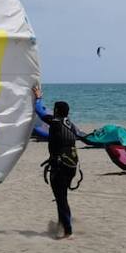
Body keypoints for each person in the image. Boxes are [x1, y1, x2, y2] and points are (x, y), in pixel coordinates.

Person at [35, 86, 79, 240]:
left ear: (57, 111)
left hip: (60, 166)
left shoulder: (55, 122)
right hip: (71, 166)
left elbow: (40, 111)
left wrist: (38, 97)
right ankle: (62, 225)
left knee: (61, 198)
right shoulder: (70, 124)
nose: (52, 111)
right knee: (62, 196)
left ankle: (68, 231)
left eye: (54, 109)